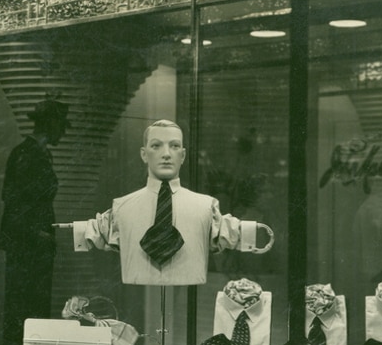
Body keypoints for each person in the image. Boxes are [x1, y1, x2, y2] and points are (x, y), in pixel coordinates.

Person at [71, 119, 270, 286]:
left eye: (174, 146)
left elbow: (229, 234)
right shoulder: (121, 208)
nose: (166, 154)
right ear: (143, 154)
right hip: (137, 277)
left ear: (182, 155)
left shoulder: (206, 207)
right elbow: (95, 233)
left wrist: (249, 233)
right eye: (156, 146)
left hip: (189, 277)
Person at [0, 99, 69, 345]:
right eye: (60, 126)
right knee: (25, 309)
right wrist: (36, 233)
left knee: (31, 309)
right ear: (49, 125)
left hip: (33, 245)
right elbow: (13, 200)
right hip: (28, 246)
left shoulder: (35, 153)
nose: (62, 133)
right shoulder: (29, 154)